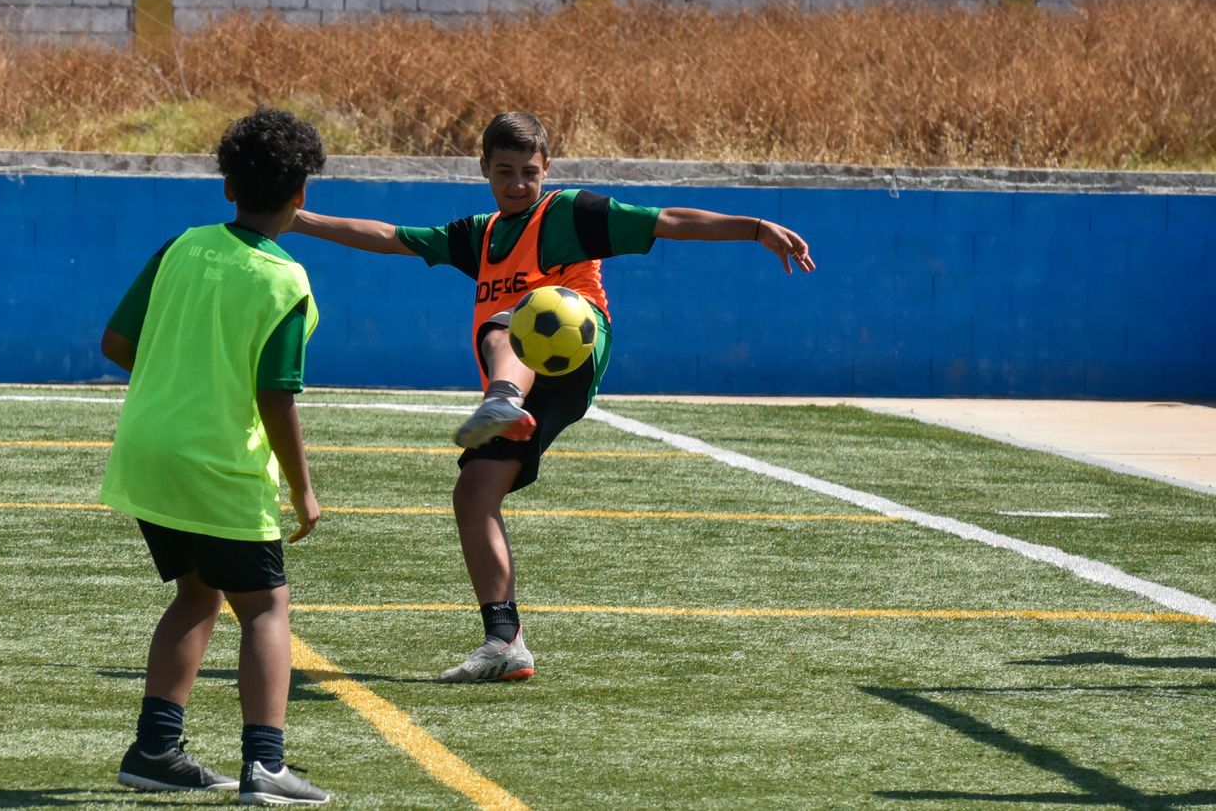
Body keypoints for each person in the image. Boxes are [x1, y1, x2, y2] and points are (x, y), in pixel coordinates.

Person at [289, 111, 816, 683]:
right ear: (483, 168)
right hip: (525, 381)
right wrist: (299, 220)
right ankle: (504, 640)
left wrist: (755, 226)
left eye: (530, 173)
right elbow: (392, 237)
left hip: (575, 353)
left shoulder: (571, 212)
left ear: (548, 168)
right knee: (473, 492)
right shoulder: (480, 235)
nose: (519, 184)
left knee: (513, 317)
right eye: (506, 172)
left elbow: (666, 220)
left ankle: (504, 398)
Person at [99, 107, 330, 805]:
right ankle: (266, 764)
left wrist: (178, 379)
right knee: (264, 607)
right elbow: (275, 396)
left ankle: (155, 750)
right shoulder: (285, 280)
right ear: (300, 194)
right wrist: (304, 488)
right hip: (219, 466)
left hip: (147, 454)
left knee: (196, 594)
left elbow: (116, 343)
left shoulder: (181, 245)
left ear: (228, 187)